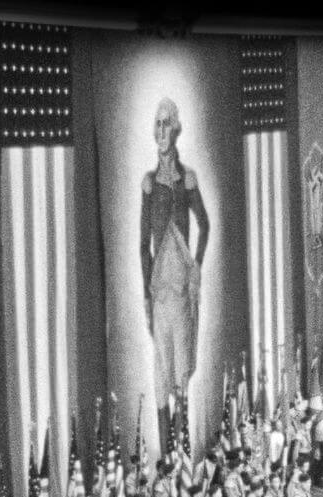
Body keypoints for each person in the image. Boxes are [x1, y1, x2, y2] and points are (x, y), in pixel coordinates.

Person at [141, 97, 210, 454]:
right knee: (161, 376)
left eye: (167, 123)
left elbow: (205, 225)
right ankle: (166, 459)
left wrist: (196, 263)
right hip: (161, 296)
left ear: (177, 129)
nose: (161, 130)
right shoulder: (150, 184)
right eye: (157, 123)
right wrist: (146, 297)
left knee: (182, 374)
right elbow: (142, 246)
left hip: (182, 294)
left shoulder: (187, 180)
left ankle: (182, 456)